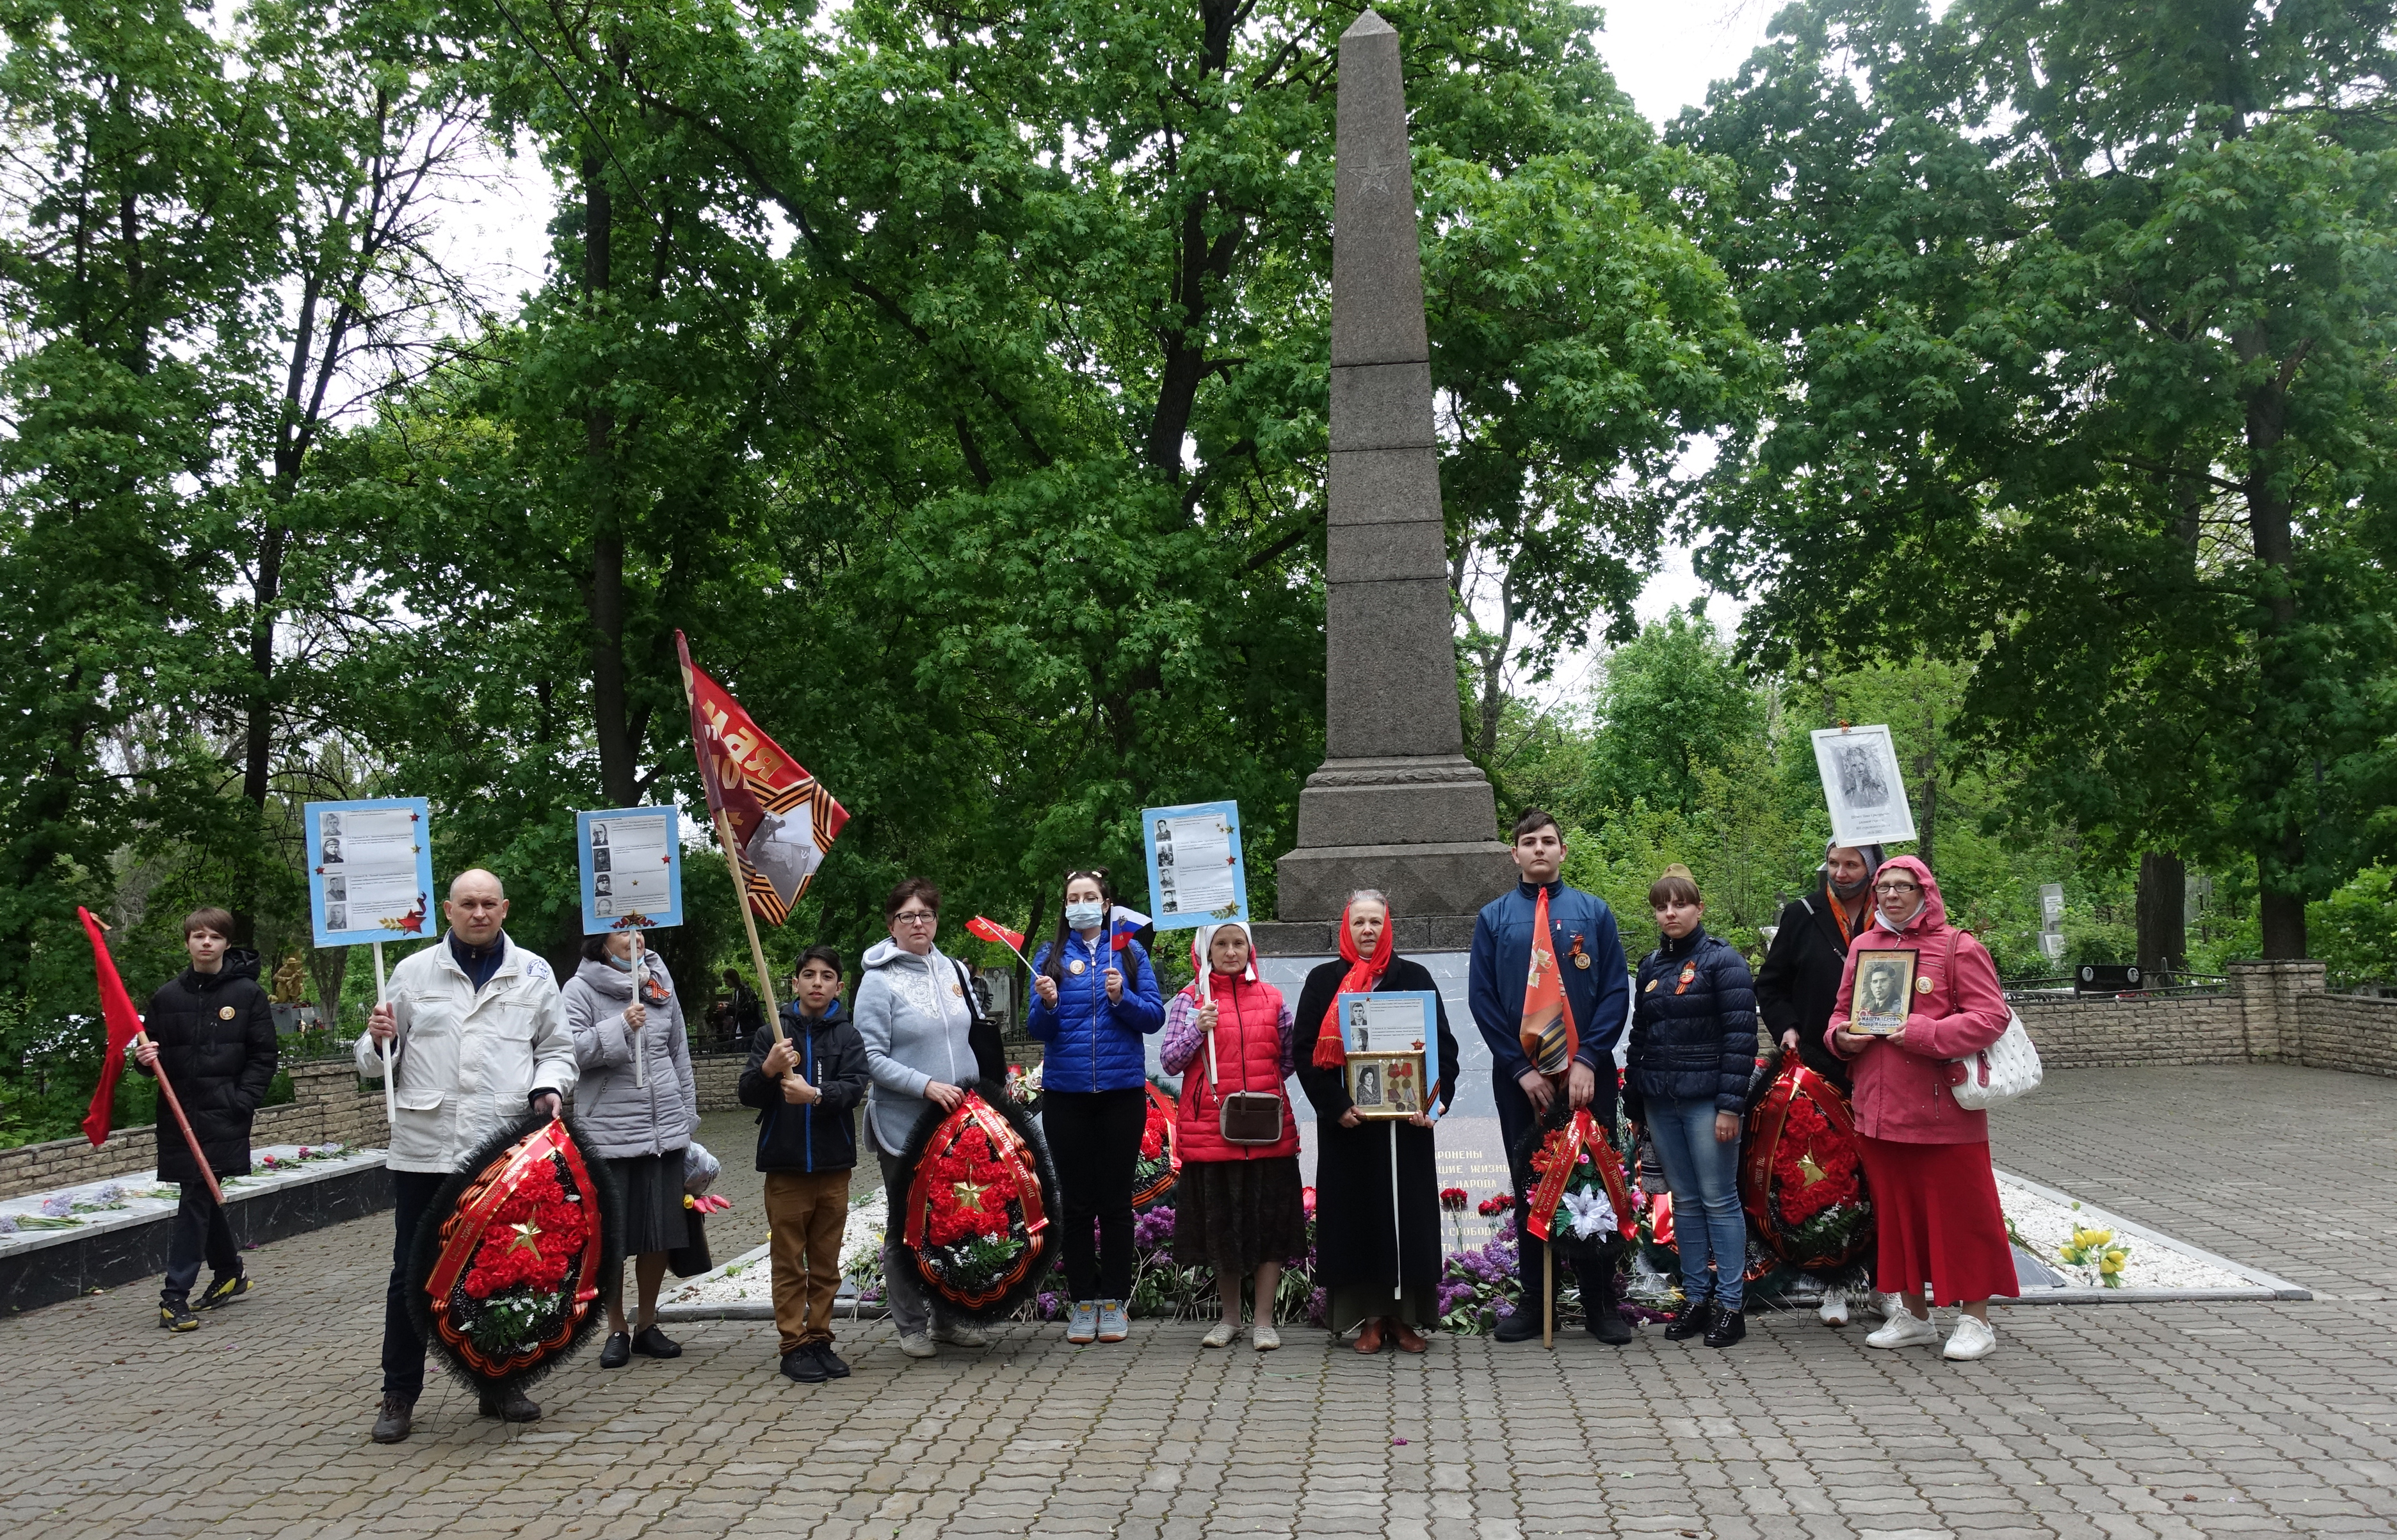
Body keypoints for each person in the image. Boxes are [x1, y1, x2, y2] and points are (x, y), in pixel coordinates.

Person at [358, 869, 577, 1442]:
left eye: (488, 904)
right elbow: (371, 1063)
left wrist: (548, 1088)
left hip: (498, 1155)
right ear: (447, 911)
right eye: (466, 904)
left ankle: (498, 1384)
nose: (478, 913)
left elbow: (556, 1049)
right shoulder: (411, 972)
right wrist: (381, 1039)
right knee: (412, 1272)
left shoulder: (533, 973)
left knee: (500, 1273)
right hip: (425, 1151)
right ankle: (399, 1393)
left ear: (504, 909)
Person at [1827, 856, 2019, 1362]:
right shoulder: (1864, 947)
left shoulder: (1958, 946)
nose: (1891, 895)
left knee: (1964, 1216)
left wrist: (1922, 1032)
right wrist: (1841, 1038)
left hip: (1943, 1114)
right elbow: (1841, 1013)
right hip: (1877, 1109)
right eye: (1884, 887)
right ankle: (1914, 1316)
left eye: (1902, 886)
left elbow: (1991, 1017)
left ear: (1924, 892)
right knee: (1896, 1217)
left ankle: (1976, 1321)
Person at [1467, 809, 1633, 1344]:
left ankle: (1600, 1304)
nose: (1539, 850)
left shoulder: (1593, 912)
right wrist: (1520, 1070)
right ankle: (1537, 1303)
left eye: (1549, 842)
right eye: (1528, 843)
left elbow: (1613, 991)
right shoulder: (1494, 919)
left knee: (1595, 1184)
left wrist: (1588, 1059)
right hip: (1523, 1081)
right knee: (1531, 1186)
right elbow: (1484, 1000)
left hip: (1587, 1076)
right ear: (1513, 854)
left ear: (1563, 851)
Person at [1295, 891, 1461, 1353]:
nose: (1367, 930)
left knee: (1407, 1220)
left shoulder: (1414, 977)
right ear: (1346, 927)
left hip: (1405, 1127)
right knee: (1359, 1219)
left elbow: (1443, 1048)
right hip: (1351, 1127)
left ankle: (1405, 1319)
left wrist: (1432, 1102)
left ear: (1388, 926)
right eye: (1359, 922)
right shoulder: (1324, 980)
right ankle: (1367, 1319)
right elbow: (1306, 1052)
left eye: (1375, 922)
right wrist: (1335, 1106)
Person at [1025, 869, 1166, 1345]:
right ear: (1066, 906)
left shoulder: (1128, 951)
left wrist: (1121, 997)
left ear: (1106, 904)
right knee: (1078, 1203)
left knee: (1115, 1203)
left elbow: (1153, 1016)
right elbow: (1038, 1031)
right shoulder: (1049, 956)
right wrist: (1046, 1005)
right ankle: (1082, 1302)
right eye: (1073, 898)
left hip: (1121, 1095)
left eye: (1090, 896)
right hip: (1066, 1096)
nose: (1081, 903)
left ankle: (1114, 1302)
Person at [855, 878, 993, 1360]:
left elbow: (970, 1037)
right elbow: (867, 1058)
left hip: (958, 1124)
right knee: (906, 1226)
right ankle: (911, 1325)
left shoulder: (952, 968)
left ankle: (949, 1320)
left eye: (926, 915)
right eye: (908, 916)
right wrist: (925, 1084)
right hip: (904, 1124)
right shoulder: (878, 980)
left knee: (952, 1223)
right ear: (891, 924)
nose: (919, 923)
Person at [1622, 866, 1757, 1349]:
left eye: (1679, 904)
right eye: (1662, 906)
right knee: (1684, 1202)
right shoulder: (1653, 966)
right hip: (1662, 1101)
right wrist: (1634, 1096)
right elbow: (1640, 1037)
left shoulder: (1724, 962)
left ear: (1700, 908)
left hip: (1708, 1104)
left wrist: (1730, 1106)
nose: (1670, 913)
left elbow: (1741, 1040)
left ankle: (1730, 1306)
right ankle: (1697, 1300)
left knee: (1719, 1199)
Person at [1755, 841, 1890, 1326]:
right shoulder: (1803, 914)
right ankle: (1831, 1282)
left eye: (1852, 864)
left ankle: (1883, 1283)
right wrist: (1786, 1027)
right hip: (1817, 1068)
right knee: (1823, 1178)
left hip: (1883, 1066)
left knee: (1878, 1180)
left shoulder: (1892, 916)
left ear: (1872, 869)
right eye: (1834, 863)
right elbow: (1769, 985)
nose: (1841, 872)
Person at [1159, 922, 1303, 1351]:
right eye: (1220, 944)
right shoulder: (1190, 1000)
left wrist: (1263, 1089)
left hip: (1267, 1133)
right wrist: (1195, 1030)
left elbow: (1290, 1056)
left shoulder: (1273, 998)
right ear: (1205, 951)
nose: (1230, 951)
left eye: (1238, 942)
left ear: (1250, 948)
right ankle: (1228, 1320)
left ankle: (1263, 1321)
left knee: (1267, 1229)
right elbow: (1170, 1061)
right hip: (1212, 1136)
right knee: (1222, 1229)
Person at [134, 907, 277, 1331]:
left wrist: (241, 1101)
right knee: (202, 1192)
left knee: (195, 1196)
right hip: (179, 1114)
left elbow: (264, 1055)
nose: (206, 943)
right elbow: (149, 1056)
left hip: (223, 1113)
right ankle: (230, 1271)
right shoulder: (166, 997)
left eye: (214, 937)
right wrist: (143, 1060)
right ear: (188, 943)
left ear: (226, 944)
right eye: (198, 936)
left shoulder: (247, 995)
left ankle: (173, 1296)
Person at [561, 932, 700, 1370]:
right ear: (599, 939)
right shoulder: (579, 989)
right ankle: (616, 1326)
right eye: (622, 929)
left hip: (663, 1133)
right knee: (616, 1238)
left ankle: (647, 1323)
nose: (634, 938)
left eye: (639, 928)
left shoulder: (659, 980)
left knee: (659, 1231)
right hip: (610, 1135)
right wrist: (621, 1025)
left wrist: (687, 1116)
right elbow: (570, 1052)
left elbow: (679, 1050)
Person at [739, 946, 869, 1384]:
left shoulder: (848, 1036)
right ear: (794, 983)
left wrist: (816, 1095)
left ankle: (820, 1338)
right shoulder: (771, 1035)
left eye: (827, 975)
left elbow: (853, 1088)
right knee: (790, 1260)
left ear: (839, 985)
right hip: (786, 1166)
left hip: (834, 1166)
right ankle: (793, 1344)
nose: (817, 982)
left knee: (827, 1262)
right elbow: (748, 1094)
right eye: (808, 974)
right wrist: (770, 1069)